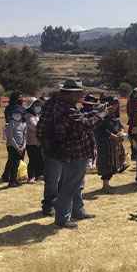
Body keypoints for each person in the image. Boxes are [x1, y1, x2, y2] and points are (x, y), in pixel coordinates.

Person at [46, 80, 106, 229]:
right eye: (79, 92)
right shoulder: (66, 109)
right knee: (69, 185)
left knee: (76, 184)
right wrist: (102, 114)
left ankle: (77, 210)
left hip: (73, 151)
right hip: (74, 151)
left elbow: (81, 118)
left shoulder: (65, 106)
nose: (81, 95)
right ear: (71, 94)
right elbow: (85, 124)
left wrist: (96, 112)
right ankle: (62, 218)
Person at [94, 97, 126, 192]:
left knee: (113, 163)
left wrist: (121, 132)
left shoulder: (114, 116)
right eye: (114, 103)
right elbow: (101, 129)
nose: (115, 106)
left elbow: (120, 125)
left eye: (117, 104)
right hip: (104, 143)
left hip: (114, 143)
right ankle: (105, 185)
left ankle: (107, 184)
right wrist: (112, 136)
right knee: (106, 162)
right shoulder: (102, 115)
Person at [2, 91, 24, 182]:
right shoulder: (16, 109)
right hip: (15, 132)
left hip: (17, 132)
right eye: (20, 97)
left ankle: (7, 175)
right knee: (15, 158)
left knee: (12, 158)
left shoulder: (8, 108)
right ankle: (13, 177)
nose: (21, 99)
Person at [3, 102, 27, 187]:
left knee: (17, 164)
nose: (17, 115)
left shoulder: (23, 123)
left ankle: (15, 179)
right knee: (13, 163)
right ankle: (11, 181)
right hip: (12, 147)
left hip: (21, 147)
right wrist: (17, 147)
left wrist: (23, 146)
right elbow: (10, 137)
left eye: (19, 113)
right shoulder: (11, 123)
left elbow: (25, 136)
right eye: (15, 113)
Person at [24, 98, 44, 183]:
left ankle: (39, 175)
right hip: (31, 142)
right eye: (35, 105)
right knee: (32, 159)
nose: (37, 107)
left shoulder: (37, 115)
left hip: (39, 141)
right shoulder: (28, 115)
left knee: (40, 158)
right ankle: (31, 176)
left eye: (38, 105)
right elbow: (34, 127)